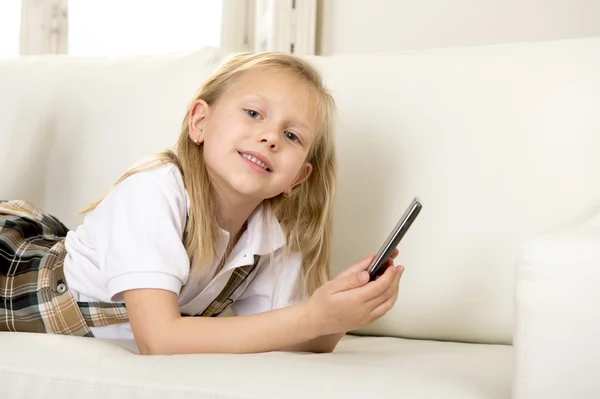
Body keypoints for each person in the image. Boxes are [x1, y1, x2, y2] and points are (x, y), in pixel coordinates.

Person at [0, 52, 404, 355]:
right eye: (253, 113)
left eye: (293, 136)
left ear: (297, 179)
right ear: (200, 123)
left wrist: (337, 315)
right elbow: (159, 339)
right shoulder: (154, 191)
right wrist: (311, 317)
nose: (270, 137)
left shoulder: (268, 236)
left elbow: (294, 342)